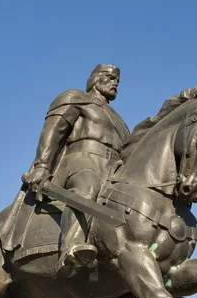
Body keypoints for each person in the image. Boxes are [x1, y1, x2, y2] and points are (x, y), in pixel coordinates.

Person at [22, 64, 130, 278]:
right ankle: (70, 248)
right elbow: (53, 131)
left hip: (112, 170)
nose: (115, 82)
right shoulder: (76, 97)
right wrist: (42, 165)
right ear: (95, 79)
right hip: (80, 162)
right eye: (110, 77)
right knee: (87, 187)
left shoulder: (120, 121)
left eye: (117, 79)